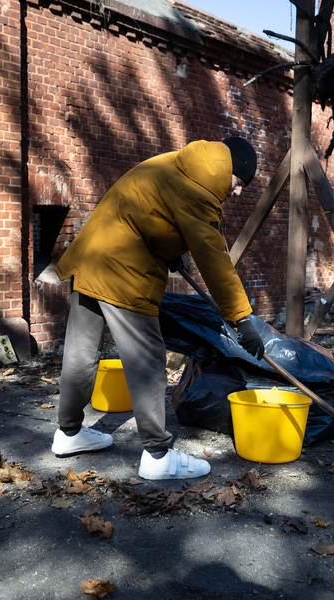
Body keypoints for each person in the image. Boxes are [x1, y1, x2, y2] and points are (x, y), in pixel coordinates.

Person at [51, 136, 265, 480]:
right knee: (148, 360)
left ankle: (68, 433)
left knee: (80, 352)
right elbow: (214, 260)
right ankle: (157, 455)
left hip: (91, 256)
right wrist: (242, 318)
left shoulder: (177, 163)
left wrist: (169, 248)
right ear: (228, 169)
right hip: (123, 270)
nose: (238, 192)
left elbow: (149, 210)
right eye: (239, 183)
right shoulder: (202, 189)